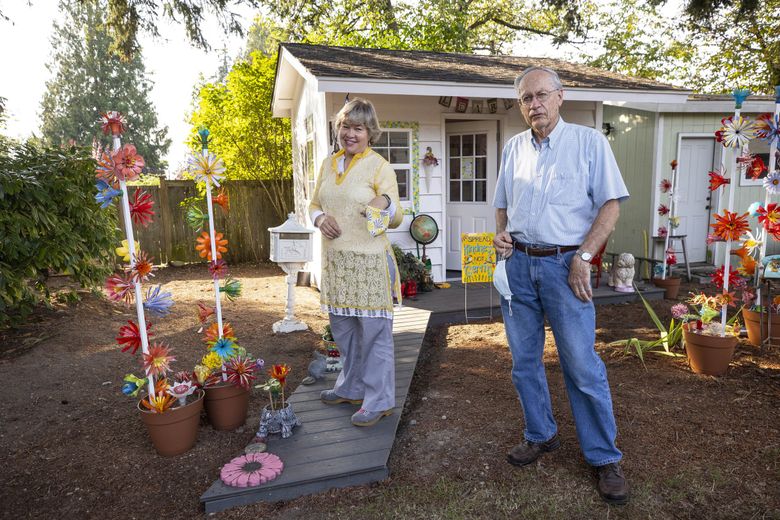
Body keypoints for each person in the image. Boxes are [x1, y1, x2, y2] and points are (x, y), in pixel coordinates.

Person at [492, 66, 630, 505]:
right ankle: (540, 433)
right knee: (523, 361)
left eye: (541, 95)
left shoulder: (590, 143)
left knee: (581, 365)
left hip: (564, 267)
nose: (534, 104)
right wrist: (501, 234)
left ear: (560, 96)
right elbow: (502, 205)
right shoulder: (514, 148)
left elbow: (610, 206)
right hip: (518, 268)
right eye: (526, 99)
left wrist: (583, 258)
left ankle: (604, 457)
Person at [309, 97, 404, 427]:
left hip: (369, 264)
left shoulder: (379, 166)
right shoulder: (327, 164)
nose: (351, 134)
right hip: (336, 264)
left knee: (375, 336)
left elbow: (395, 218)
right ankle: (351, 387)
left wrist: (385, 204)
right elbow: (313, 203)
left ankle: (378, 401)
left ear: (369, 133)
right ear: (338, 129)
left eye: (358, 128)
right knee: (345, 332)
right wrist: (320, 218)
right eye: (345, 127)